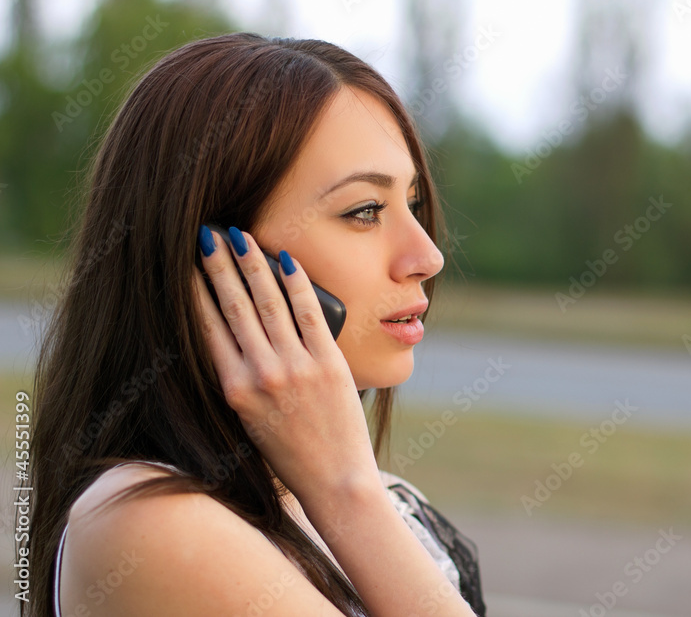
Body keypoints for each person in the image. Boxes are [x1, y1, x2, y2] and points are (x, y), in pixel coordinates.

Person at [23, 32, 486, 616]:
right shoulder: (152, 525)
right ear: (215, 256)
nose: (427, 256)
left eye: (412, 204)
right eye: (365, 210)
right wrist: (350, 497)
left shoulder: (380, 499)